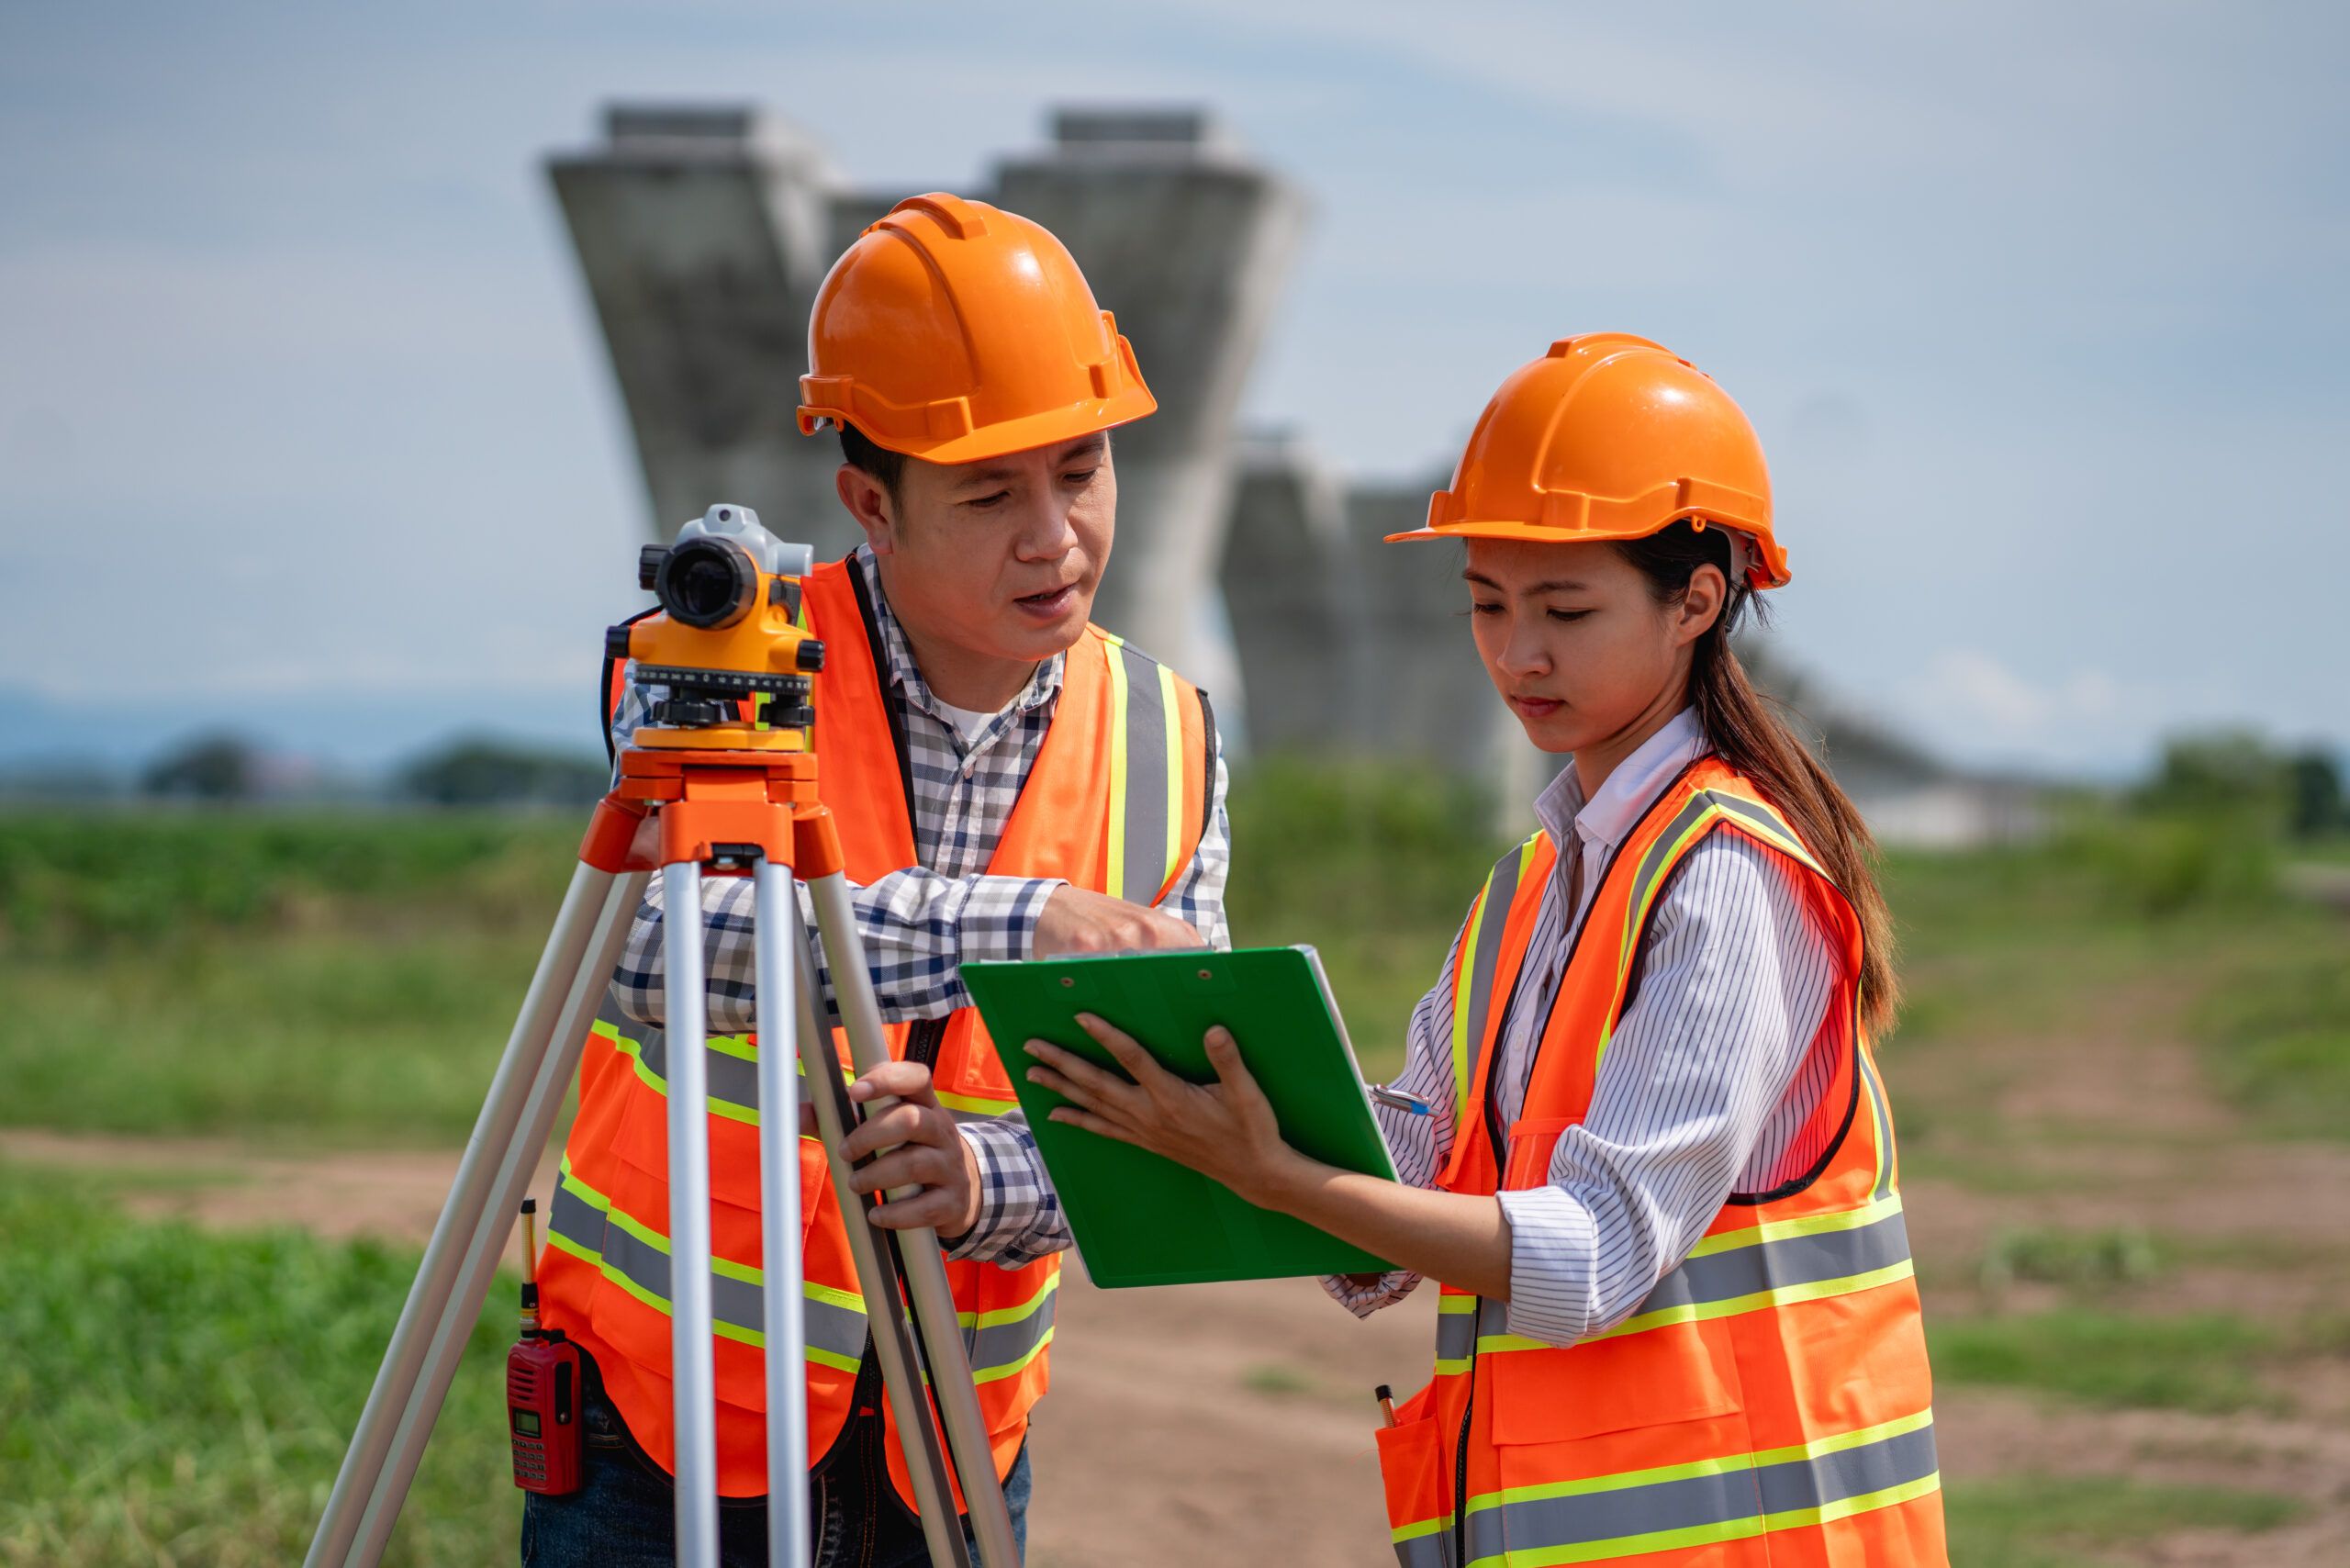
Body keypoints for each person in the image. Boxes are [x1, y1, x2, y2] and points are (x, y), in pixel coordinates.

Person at [1025, 333, 1951, 1566]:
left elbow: (1593, 1254)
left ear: (1696, 599)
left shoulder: (1730, 879)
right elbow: (1414, 1157)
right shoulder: (1534, 886)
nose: (1519, 655)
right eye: (1488, 605)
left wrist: (1283, 1180)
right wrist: (1206, 1097)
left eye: (1566, 610)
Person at [529, 193, 1228, 1567]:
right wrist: (1014, 925)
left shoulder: (1172, 739)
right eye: (990, 494)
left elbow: (1165, 1113)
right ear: (869, 502)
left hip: (956, 1448)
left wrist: (976, 1181)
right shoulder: (716, 664)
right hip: (668, 1419)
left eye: (1081, 472)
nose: (1057, 537)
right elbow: (657, 946)